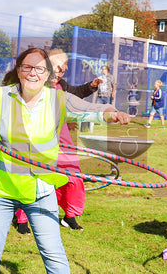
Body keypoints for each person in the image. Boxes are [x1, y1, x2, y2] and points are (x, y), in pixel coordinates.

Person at [0, 47, 130, 274]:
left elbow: (89, 110)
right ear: (19, 70)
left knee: (54, 255)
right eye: (27, 67)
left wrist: (112, 112)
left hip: (41, 189)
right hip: (1, 190)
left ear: (48, 74)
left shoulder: (58, 99)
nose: (33, 73)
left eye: (39, 68)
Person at [12, 48, 103, 233]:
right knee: (31, 177)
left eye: (62, 70)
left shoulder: (62, 87)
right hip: (37, 140)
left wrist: (91, 86)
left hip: (62, 140)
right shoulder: (32, 85)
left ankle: (70, 216)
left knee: (73, 176)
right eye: (55, 69)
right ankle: (21, 219)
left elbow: (76, 94)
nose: (58, 73)